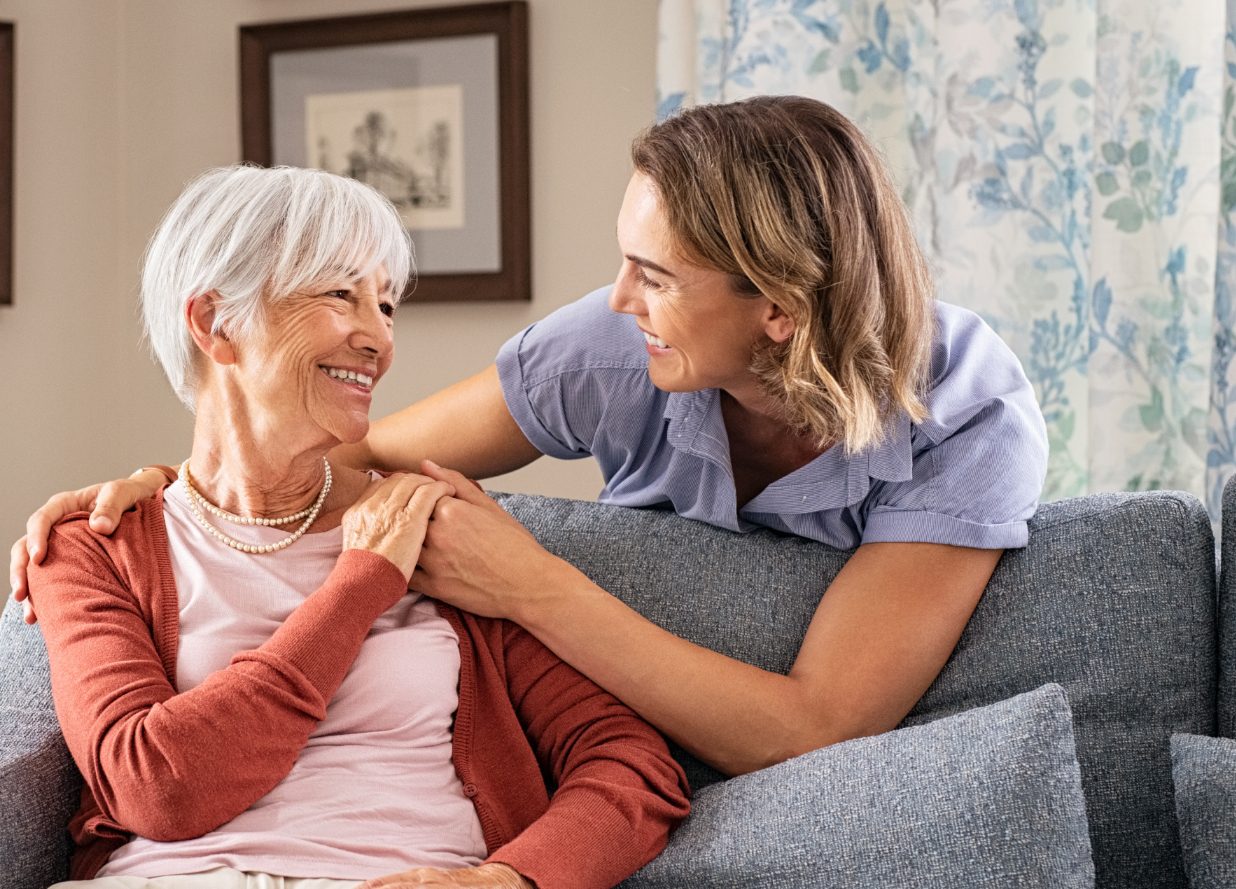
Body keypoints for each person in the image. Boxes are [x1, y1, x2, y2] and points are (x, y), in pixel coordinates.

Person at [14, 95, 1048, 779]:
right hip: (607, 744)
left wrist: (529, 584)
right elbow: (359, 460)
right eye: (622, 258)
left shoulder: (965, 412)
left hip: (804, 771)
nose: (616, 297)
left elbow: (819, 730)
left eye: (656, 275)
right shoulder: (608, 349)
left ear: (778, 308)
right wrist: (173, 489)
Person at [25, 165, 690, 889]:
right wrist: (361, 584)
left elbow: (630, 762)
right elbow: (155, 786)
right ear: (215, 324)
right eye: (341, 294)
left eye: (387, 304)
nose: (378, 338)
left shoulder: (437, 531)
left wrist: (505, 880)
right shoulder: (91, 545)